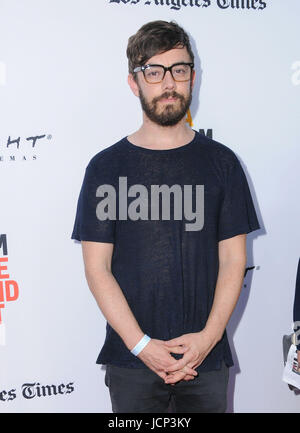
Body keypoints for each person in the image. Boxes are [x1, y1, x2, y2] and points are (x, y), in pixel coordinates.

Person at [71, 20, 260, 413]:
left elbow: (233, 260)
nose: (169, 83)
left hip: (205, 361)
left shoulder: (223, 163)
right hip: (132, 361)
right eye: (153, 72)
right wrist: (142, 345)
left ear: (193, 77)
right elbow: (97, 269)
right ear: (133, 82)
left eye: (180, 69)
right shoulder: (105, 168)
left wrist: (207, 339)